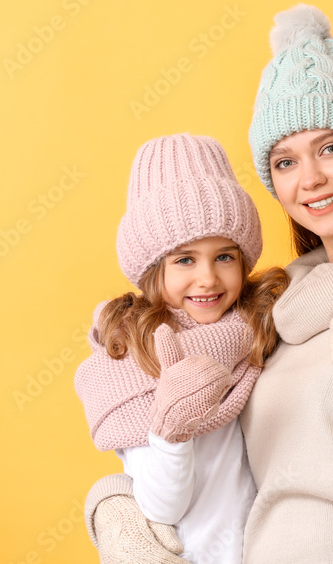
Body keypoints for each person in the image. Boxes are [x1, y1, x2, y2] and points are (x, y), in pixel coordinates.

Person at [86, 5, 333, 563]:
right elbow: (216, 460)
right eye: (284, 162)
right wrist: (114, 503)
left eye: (330, 147)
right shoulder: (271, 302)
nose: (310, 179)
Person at [75, 133, 287, 564]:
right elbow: (160, 508)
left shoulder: (256, 331)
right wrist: (171, 431)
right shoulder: (136, 354)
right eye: (185, 260)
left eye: (225, 257)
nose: (208, 278)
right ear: (153, 271)